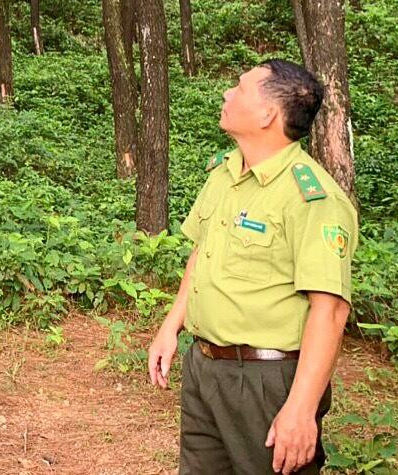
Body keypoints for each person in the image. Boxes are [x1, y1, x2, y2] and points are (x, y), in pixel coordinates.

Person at [147, 59, 358, 475]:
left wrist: (300, 408)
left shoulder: (312, 198)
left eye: (239, 89)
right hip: (206, 367)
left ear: (268, 115)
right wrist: (171, 325)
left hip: (267, 380)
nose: (227, 94)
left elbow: (330, 309)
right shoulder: (225, 175)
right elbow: (202, 255)